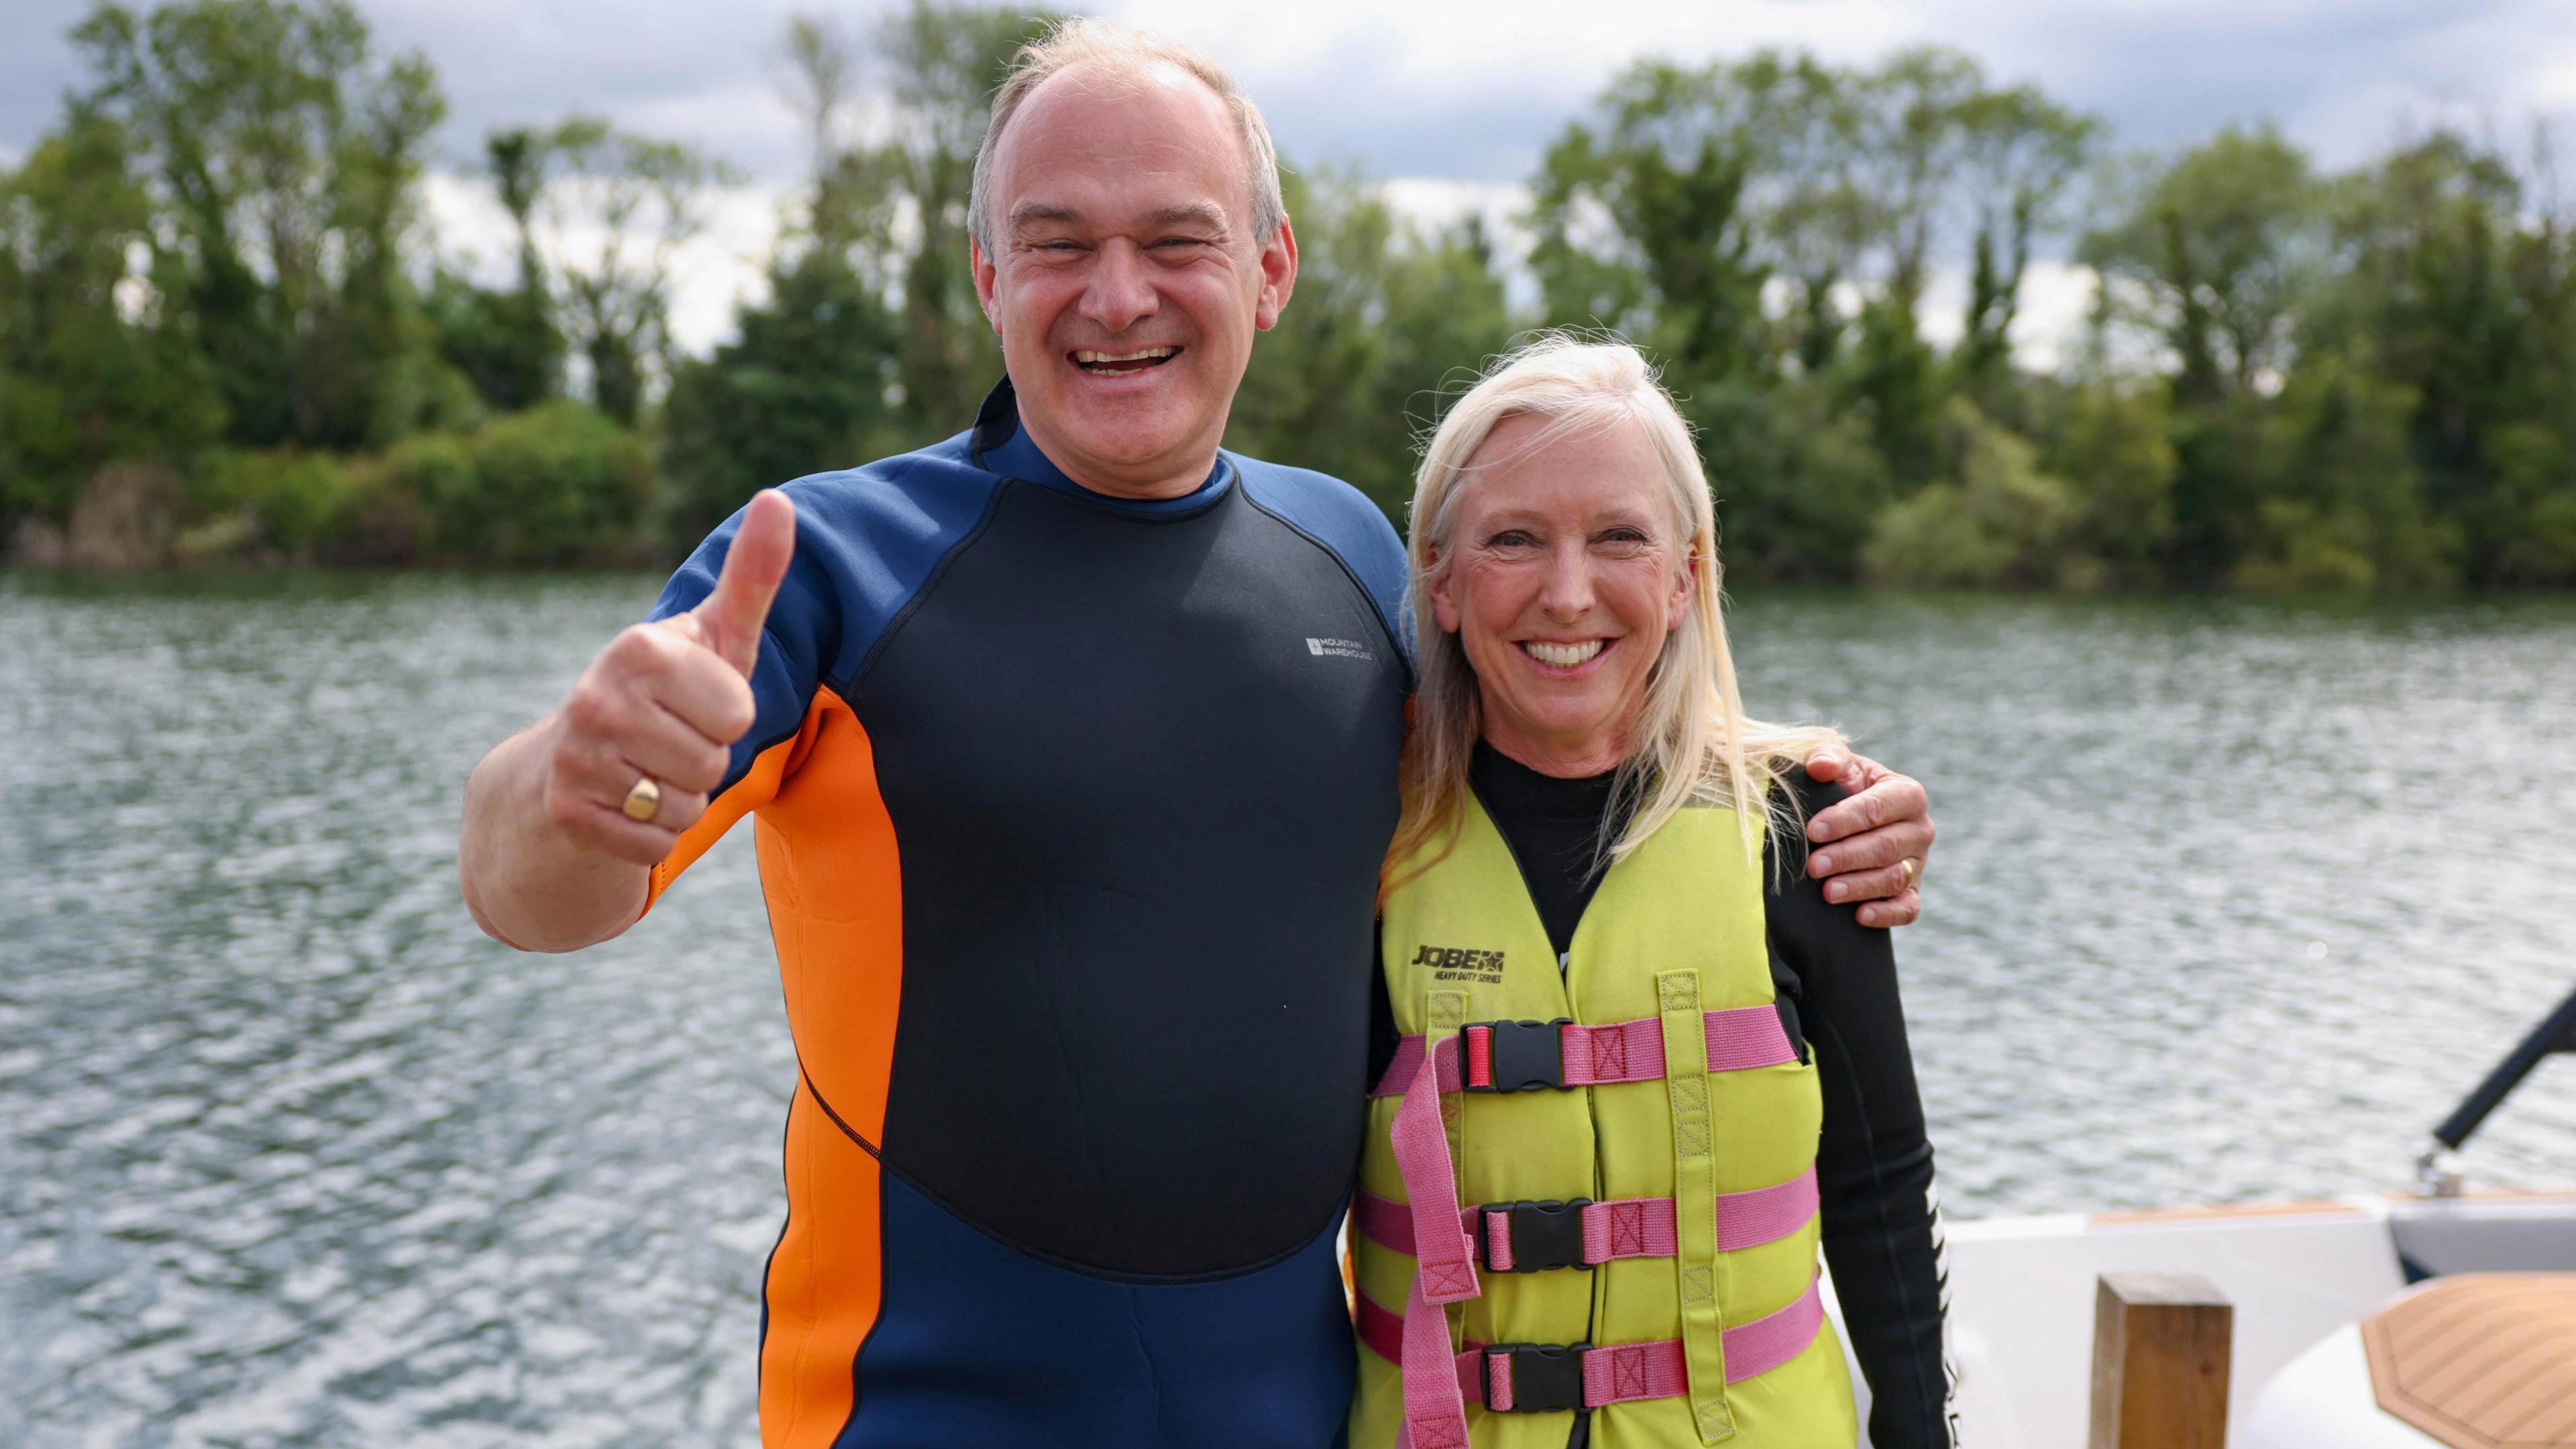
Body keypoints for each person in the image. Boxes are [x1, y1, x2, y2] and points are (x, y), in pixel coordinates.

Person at [455, 21, 1937, 1449]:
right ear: (987, 272)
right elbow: (536, 899)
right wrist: (568, 791)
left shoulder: (1353, 555)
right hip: (917, 1416)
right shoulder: (831, 566)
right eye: (1057, 243)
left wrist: (1825, 802)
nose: (1118, 297)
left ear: (1270, 269)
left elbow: (1573, 714)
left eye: (1175, 241)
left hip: (1297, 1416)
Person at [1350, 338, 1947, 1449]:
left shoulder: (1807, 835)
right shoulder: (1360, 849)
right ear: (1441, 580)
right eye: (1513, 539)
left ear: (1686, 575)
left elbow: (1879, 1186)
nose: (1567, 594)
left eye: (1619, 537)